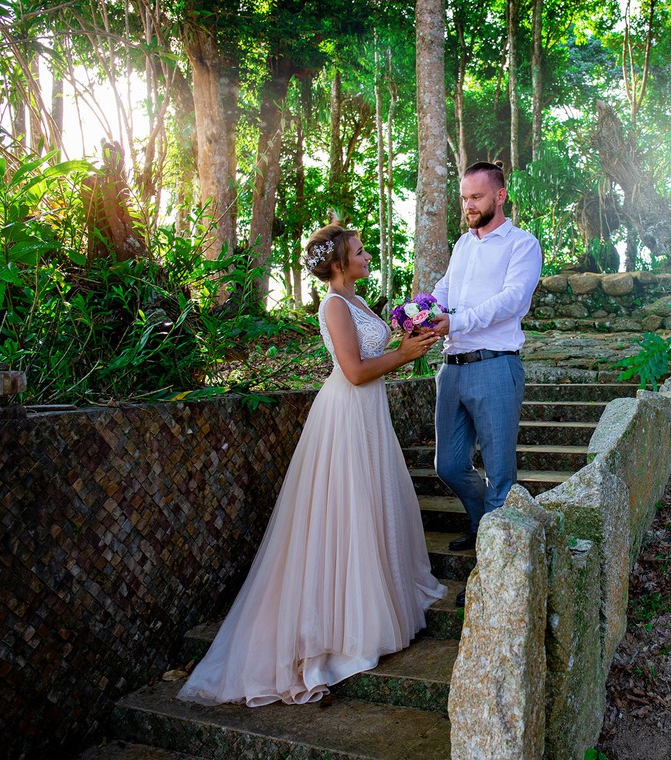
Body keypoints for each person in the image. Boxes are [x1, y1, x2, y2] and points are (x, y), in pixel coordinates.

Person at [178, 225, 445, 706]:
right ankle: (343, 629)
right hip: (345, 413)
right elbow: (355, 371)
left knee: (375, 502)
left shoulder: (360, 302)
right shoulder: (333, 306)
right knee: (347, 512)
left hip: (370, 415)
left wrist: (411, 339)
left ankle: (375, 606)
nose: (367, 256)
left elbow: (376, 355)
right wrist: (401, 355)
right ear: (339, 262)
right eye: (360, 251)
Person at [429, 161, 543, 607]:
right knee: (449, 464)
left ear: (499, 196)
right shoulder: (462, 244)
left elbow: (511, 301)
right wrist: (423, 309)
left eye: (475, 197)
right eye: (463, 198)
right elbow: (445, 289)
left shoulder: (522, 245)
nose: (468, 205)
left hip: (496, 366)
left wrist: (455, 321)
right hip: (452, 368)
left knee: (501, 475)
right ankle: (482, 525)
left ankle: (490, 574)